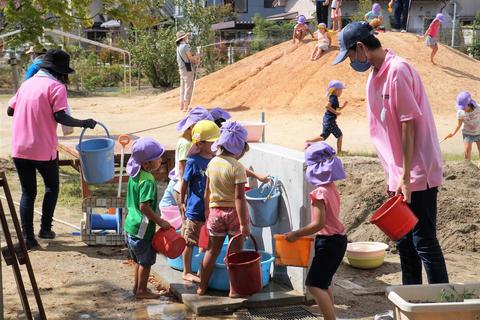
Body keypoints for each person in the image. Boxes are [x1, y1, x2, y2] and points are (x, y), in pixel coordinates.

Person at [333, 22, 449, 285]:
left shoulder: (398, 70)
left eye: (350, 55)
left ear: (360, 48)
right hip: (397, 175)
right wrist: (395, 176)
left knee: (424, 240)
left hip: (416, 171)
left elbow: (409, 124)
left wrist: (406, 177)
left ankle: (442, 303)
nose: (351, 61)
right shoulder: (374, 76)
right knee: (405, 243)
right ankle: (413, 299)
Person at [6, 49, 97, 250]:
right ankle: (45, 228)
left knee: (28, 193)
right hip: (42, 148)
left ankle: (28, 239)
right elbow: (61, 117)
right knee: (51, 187)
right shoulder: (56, 87)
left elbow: (10, 110)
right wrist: (85, 123)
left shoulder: (26, 84)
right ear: (60, 72)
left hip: (19, 148)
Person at [284, 142, 347, 320]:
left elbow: (318, 224)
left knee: (313, 286)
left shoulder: (319, 193)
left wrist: (296, 234)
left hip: (328, 242)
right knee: (323, 283)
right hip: (338, 240)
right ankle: (331, 315)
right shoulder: (331, 188)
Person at [197, 122, 250, 297]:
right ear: (239, 148)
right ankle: (234, 290)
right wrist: (244, 224)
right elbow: (239, 198)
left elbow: (207, 191)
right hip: (233, 214)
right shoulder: (237, 167)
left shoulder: (212, 163)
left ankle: (202, 287)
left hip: (214, 212)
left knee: (212, 251)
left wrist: (207, 210)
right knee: (235, 254)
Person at [124, 137, 171, 299]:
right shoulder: (148, 180)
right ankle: (142, 291)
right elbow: (144, 206)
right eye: (158, 158)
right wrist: (161, 222)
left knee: (137, 260)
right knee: (146, 261)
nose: (161, 160)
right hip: (142, 228)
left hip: (130, 225)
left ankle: (137, 288)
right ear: (146, 164)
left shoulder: (134, 174)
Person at [179, 120, 220, 283]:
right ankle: (186, 271)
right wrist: (181, 201)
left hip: (211, 208)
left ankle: (203, 266)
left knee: (208, 240)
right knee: (189, 241)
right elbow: (184, 182)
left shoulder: (216, 159)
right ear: (200, 143)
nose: (215, 144)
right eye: (212, 142)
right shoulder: (193, 161)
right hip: (195, 208)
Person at [159, 107, 213, 219]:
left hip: (183, 186)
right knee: (185, 219)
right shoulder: (185, 143)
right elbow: (182, 168)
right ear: (193, 126)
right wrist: (187, 190)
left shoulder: (191, 142)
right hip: (181, 187)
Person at [306, 80, 348, 154]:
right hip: (330, 121)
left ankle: (309, 141)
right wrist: (335, 113)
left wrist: (343, 106)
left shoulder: (334, 98)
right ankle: (339, 151)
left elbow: (336, 109)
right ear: (336, 90)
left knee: (323, 137)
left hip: (328, 120)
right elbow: (327, 106)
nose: (342, 91)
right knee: (340, 135)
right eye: (341, 90)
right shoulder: (333, 98)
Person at [445, 92, 480, 161]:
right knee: (467, 152)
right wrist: (453, 133)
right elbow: (459, 124)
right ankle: (467, 169)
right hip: (467, 134)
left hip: (479, 133)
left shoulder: (478, 108)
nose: (462, 108)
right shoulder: (460, 112)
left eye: (463, 107)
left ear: (469, 104)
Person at [176, 31, 200, 112]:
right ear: (183, 38)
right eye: (186, 37)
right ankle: (186, 107)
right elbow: (191, 59)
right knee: (188, 87)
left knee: (182, 88)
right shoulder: (185, 46)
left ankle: (182, 106)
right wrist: (197, 56)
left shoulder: (178, 47)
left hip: (181, 69)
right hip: (187, 69)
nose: (187, 38)